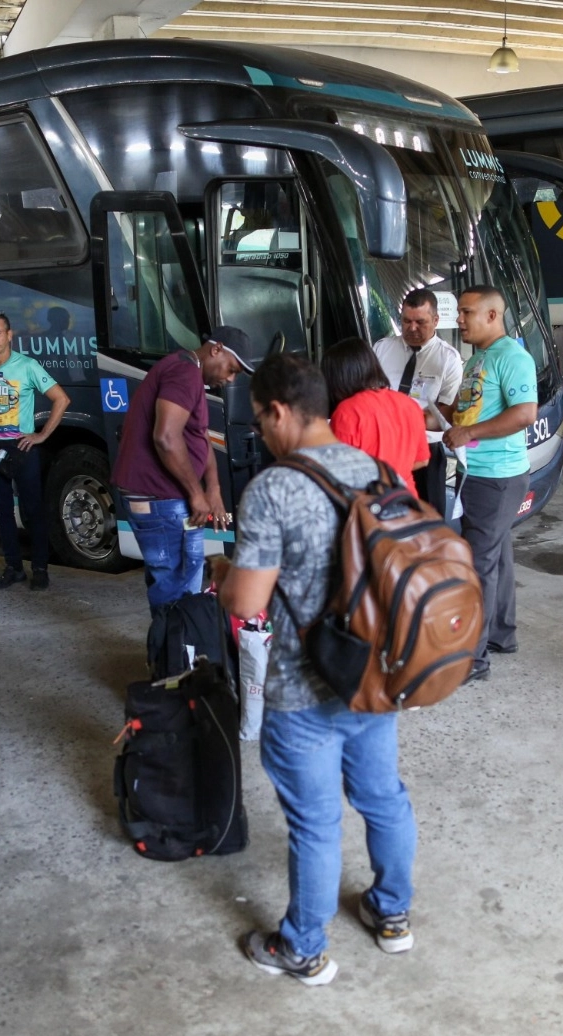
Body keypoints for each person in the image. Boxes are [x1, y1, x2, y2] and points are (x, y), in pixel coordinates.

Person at [211, 352, 417, 987]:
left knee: (315, 823)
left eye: (258, 421)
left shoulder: (273, 488)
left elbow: (247, 604)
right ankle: (392, 916)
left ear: (277, 411)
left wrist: (223, 574)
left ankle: (302, 949)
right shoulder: (376, 470)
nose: (260, 435)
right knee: (384, 800)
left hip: (303, 691)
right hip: (374, 675)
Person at [110, 327, 253, 615]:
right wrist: (195, 492)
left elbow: (200, 436)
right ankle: (176, 656)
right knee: (179, 589)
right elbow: (165, 437)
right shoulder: (183, 374)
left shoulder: (188, 372)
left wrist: (212, 488)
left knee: (176, 581)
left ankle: (172, 651)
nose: (229, 379)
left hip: (161, 498)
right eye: (231, 369)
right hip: (160, 498)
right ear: (216, 349)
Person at [443, 285, 537, 682]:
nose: (459, 320)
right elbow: (465, 412)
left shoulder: (513, 357)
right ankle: (500, 635)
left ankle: (472, 659)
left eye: (466, 312)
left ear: (492, 316)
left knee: (477, 565)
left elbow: (525, 414)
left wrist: (467, 434)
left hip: (496, 476)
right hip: (478, 473)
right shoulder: (480, 358)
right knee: (496, 556)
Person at [0, 312, 70, 591]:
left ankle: (40, 569)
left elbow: (61, 399)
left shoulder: (27, 366)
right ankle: (14, 568)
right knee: (3, 511)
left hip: (22, 447)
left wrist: (41, 435)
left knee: (32, 510)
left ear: (10, 335)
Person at [373, 289, 463, 509]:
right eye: (406, 321)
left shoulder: (448, 359)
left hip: (426, 449)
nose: (412, 328)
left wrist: (407, 423)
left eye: (420, 322)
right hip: (384, 445)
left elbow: (445, 412)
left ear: (435, 321)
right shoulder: (382, 348)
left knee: (429, 514)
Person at [321, 337, 429, 497]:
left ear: (337, 378)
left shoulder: (347, 412)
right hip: (407, 503)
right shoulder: (409, 404)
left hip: (369, 507)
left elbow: (339, 475)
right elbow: (422, 460)